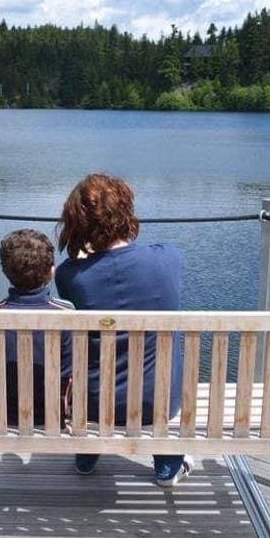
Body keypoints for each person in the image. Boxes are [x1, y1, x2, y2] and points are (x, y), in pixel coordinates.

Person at [54, 173, 190, 487]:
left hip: (93, 404)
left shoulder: (69, 276)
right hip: (159, 403)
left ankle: (88, 453)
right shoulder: (168, 258)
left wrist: (84, 254)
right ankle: (168, 466)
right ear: (126, 213)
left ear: (78, 224)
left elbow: (87, 273)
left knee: (97, 366)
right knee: (156, 369)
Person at [0, 229, 73, 426]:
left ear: (5, 272)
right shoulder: (67, 317)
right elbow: (69, 375)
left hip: (1, 414)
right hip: (52, 415)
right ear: (52, 272)